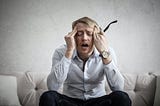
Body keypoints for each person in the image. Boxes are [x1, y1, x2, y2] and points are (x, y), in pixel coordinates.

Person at [39, 17, 131, 106]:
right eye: (79, 34)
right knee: (48, 97)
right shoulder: (61, 52)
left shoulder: (107, 52)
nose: (84, 38)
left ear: (97, 37)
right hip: (69, 101)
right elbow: (52, 87)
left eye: (89, 34)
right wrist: (69, 51)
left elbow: (118, 88)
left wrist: (104, 53)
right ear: (73, 36)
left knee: (122, 97)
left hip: (98, 102)